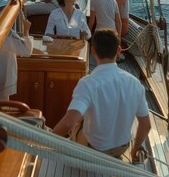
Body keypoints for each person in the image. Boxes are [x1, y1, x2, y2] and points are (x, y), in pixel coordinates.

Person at [53, 29, 151, 159]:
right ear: (119, 51)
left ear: (93, 51)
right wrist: (135, 150)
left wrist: (48, 138)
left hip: (92, 149)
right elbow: (146, 125)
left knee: (79, 118)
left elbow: (68, 124)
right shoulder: (135, 83)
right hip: (121, 149)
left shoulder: (87, 83)